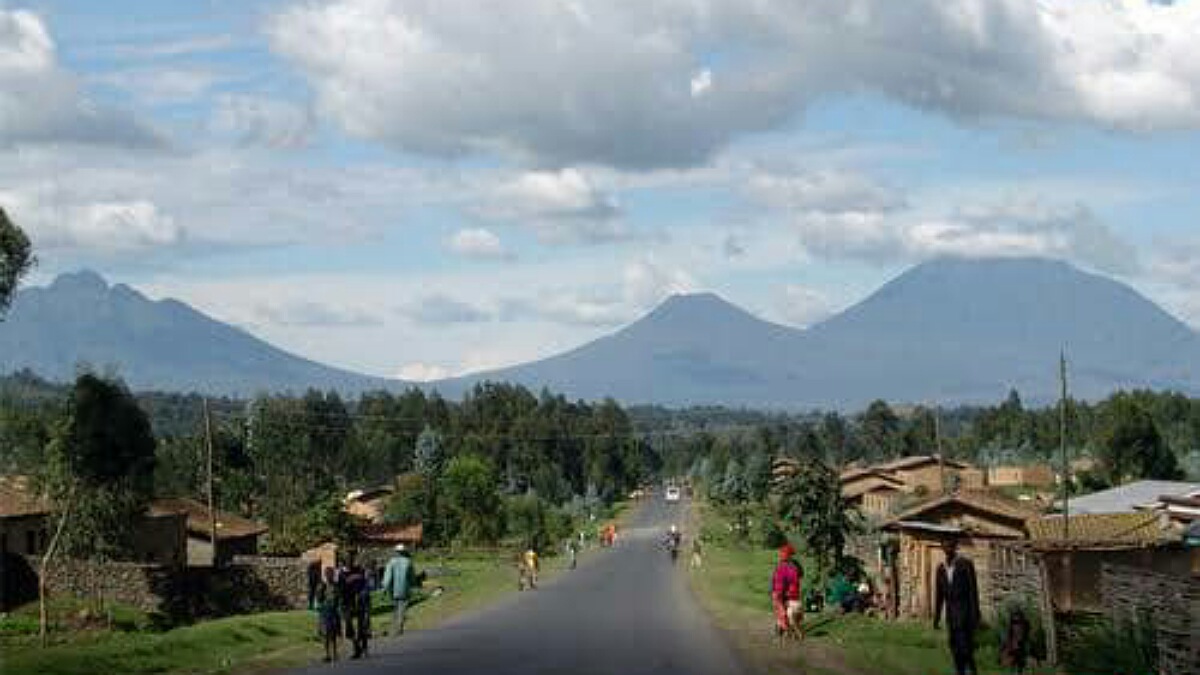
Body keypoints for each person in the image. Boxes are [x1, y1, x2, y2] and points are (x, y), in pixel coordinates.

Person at [934, 537, 982, 675]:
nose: (947, 549)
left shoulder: (965, 565)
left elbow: (973, 591)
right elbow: (939, 595)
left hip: (965, 613)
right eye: (944, 546)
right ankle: (959, 671)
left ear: (955, 548)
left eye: (950, 546)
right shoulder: (941, 569)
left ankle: (971, 670)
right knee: (954, 646)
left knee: (966, 647)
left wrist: (975, 615)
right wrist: (937, 618)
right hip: (951, 615)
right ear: (942, 548)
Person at [381, 543, 418, 638]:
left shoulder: (391, 562)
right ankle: (399, 627)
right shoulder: (408, 562)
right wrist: (414, 585)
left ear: (396, 552)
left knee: (395, 609)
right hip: (405, 589)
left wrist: (385, 588)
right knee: (402, 609)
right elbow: (412, 577)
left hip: (393, 590)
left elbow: (387, 577)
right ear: (404, 552)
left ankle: (394, 628)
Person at [770, 543, 803, 642]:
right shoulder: (794, 565)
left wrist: (777, 593)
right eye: (781, 553)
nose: (781, 555)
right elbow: (800, 576)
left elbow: (779, 581)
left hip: (786, 593)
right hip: (789, 593)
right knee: (784, 613)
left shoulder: (785, 566)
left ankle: (786, 632)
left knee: (783, 613)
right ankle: (785, 631)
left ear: (788, 554)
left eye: (783, 553)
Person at [342, 560, 372, 659]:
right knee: (349, 627)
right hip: (348, 603)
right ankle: (356, 647)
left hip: (360, 603)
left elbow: (366, 587)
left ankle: (364, 648)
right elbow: (341, 589)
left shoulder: (360, 572)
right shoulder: (342, 574)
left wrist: (363, 596)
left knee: (362, 627)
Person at [315, 566, 342, 662]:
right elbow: (318, 599)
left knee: (333, 633)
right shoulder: (321, 586)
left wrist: (339, 607)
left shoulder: (336, 585)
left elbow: (338, 598)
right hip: (325, 612)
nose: (330, 576)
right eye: (328, 574)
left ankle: (334, 653)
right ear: (325, 575)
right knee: (325, 634)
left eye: (331, 574)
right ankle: (327, 654)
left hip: (334, 612)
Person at [1001, 607, 1032, 674]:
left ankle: (1019, 670)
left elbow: (1027, 634)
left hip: (1022, 646)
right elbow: (1009, 634)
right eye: (1014, 622)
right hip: (1014, 647)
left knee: (1023, 661)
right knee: (1014, 662)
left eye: (1019, 622)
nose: (1017, 625)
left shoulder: (1025, 625)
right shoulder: (1008, 636)